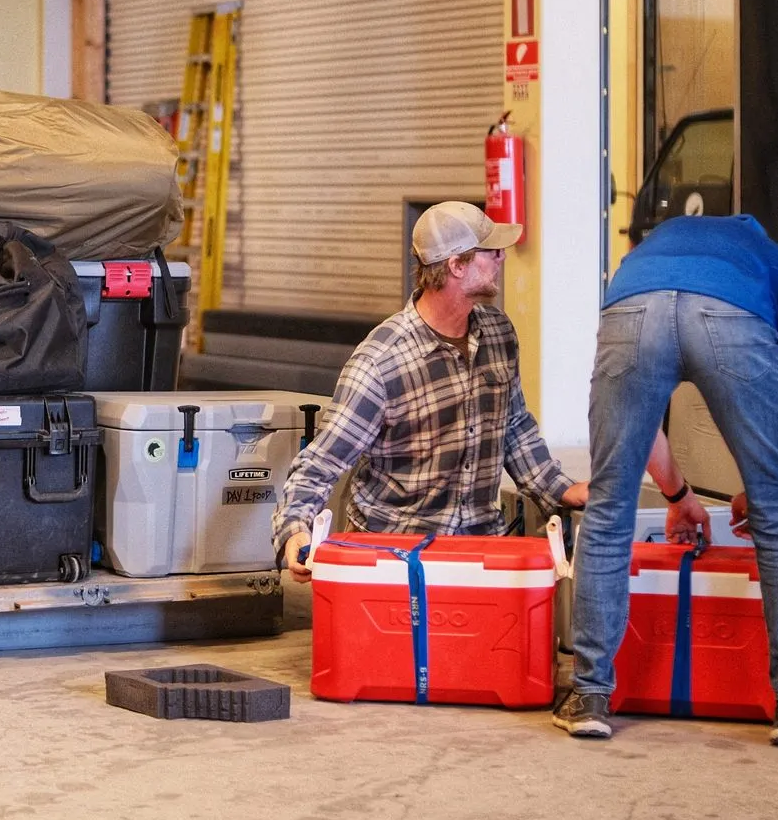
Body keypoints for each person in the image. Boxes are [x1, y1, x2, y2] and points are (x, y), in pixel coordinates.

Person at [554, 214, 778, 747]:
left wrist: (677, 494)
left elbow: (638, 429)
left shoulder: (649, 252)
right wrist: (758, 493)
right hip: (731, 317)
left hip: (632, 311)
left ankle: (589, 696)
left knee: (609, 504)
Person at [276, 200, 666, 573]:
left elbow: (514, 426)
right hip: (396, 556)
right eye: (491, 251)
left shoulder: (498, 333)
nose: (503, 257)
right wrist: (295, 532)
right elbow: (320, 464)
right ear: (457, 265)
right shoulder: (381, 363)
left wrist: (559, 488)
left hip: (479, 548)